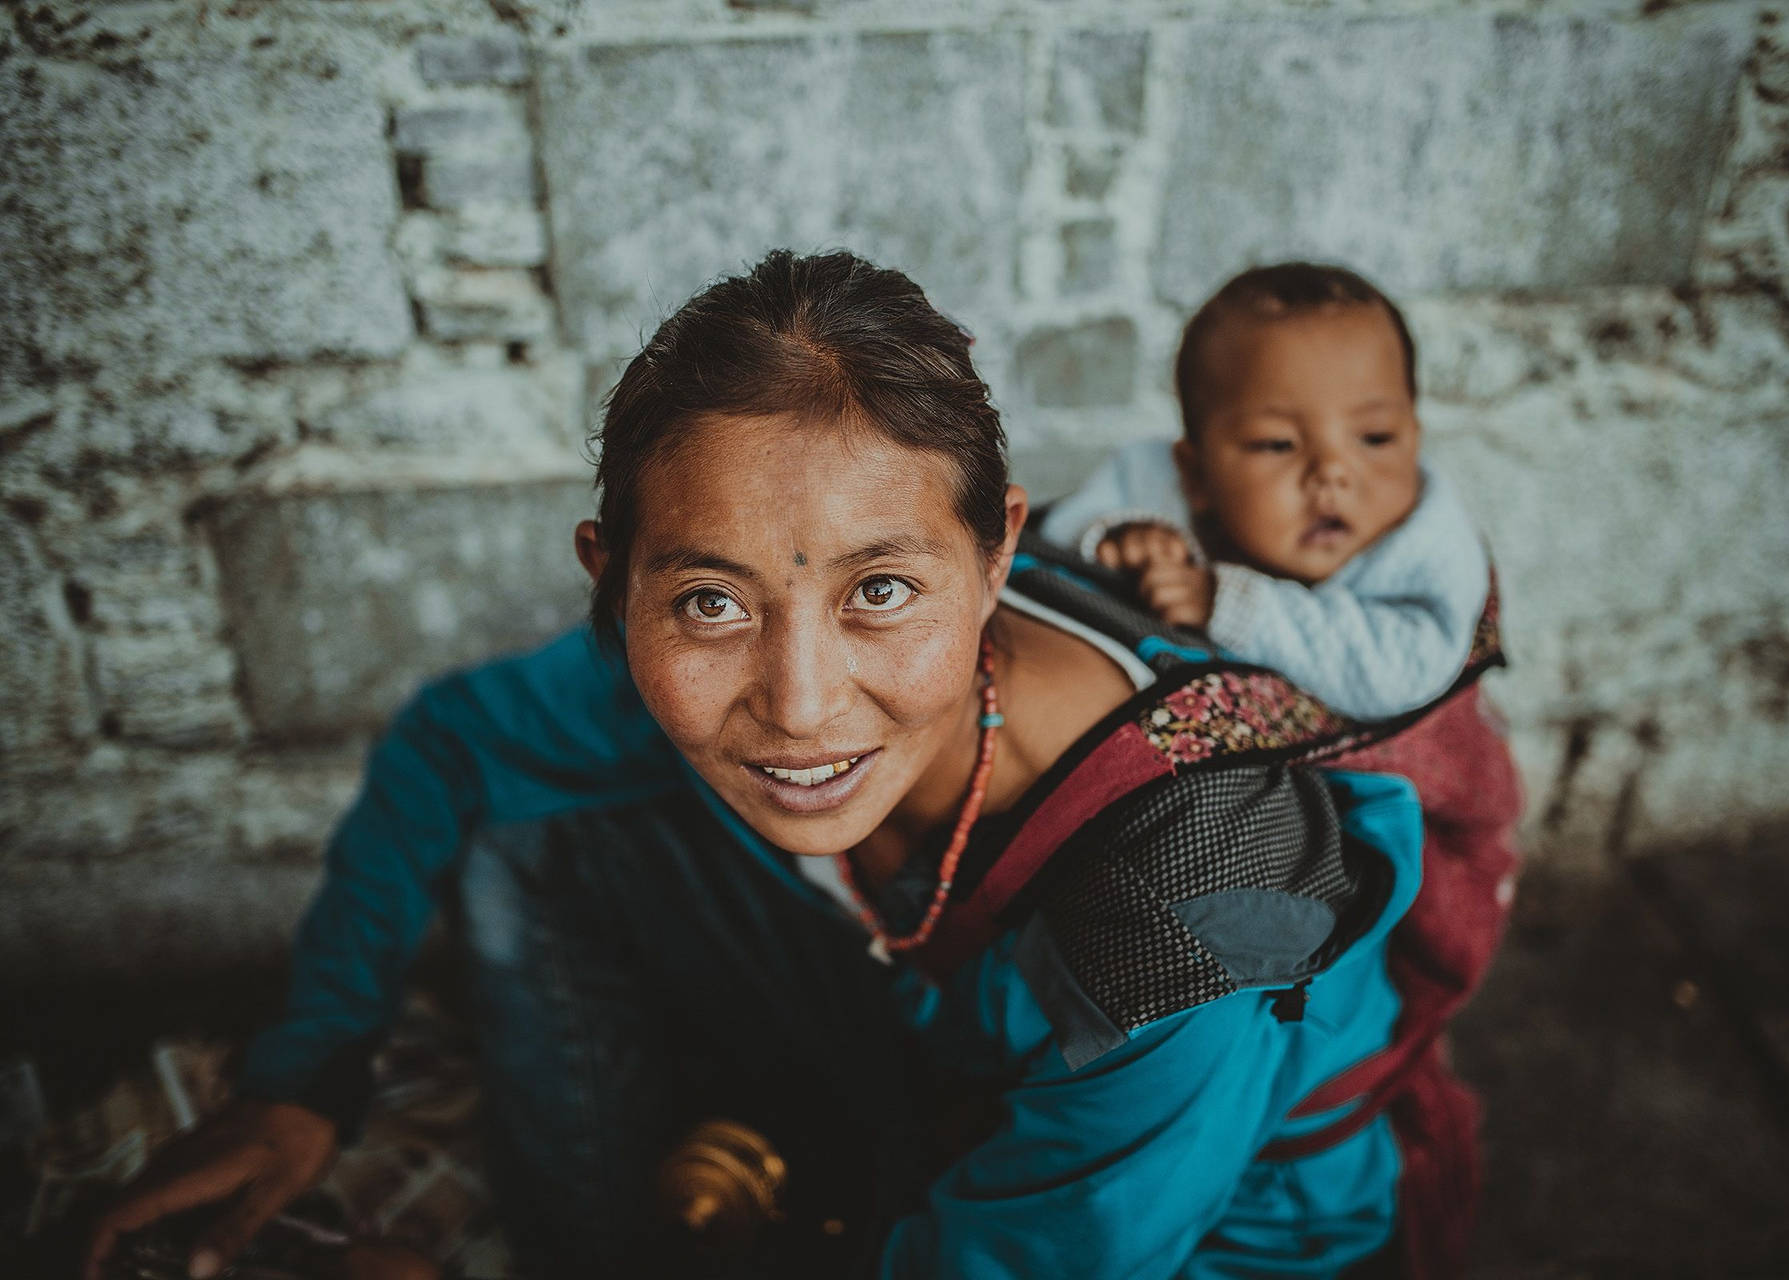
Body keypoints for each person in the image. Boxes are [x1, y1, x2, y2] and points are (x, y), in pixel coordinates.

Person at [85, 251, 1492, 1279]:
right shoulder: (706, 651)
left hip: (1169, 1227)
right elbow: (451, 745)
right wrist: (306, 1080)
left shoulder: (1202, 907)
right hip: (939, 1037)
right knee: (534, 840)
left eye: (884, 591)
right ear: (619, 580)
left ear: (1001, 553)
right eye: (709, 602)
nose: (800, 705)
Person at [1041, 262, 1525, 1274]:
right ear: (1198, 464)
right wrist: (1119, 541)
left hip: (1377, 843)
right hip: (1233, 837)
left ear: (1416, 437)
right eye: (1274, 443)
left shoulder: (1425, 547)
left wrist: (1225, 601)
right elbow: (1068, 530)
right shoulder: (1159, 481)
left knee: (1316, 1072)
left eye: (1375, 436)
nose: (1332, 472)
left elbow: (1404, 668)